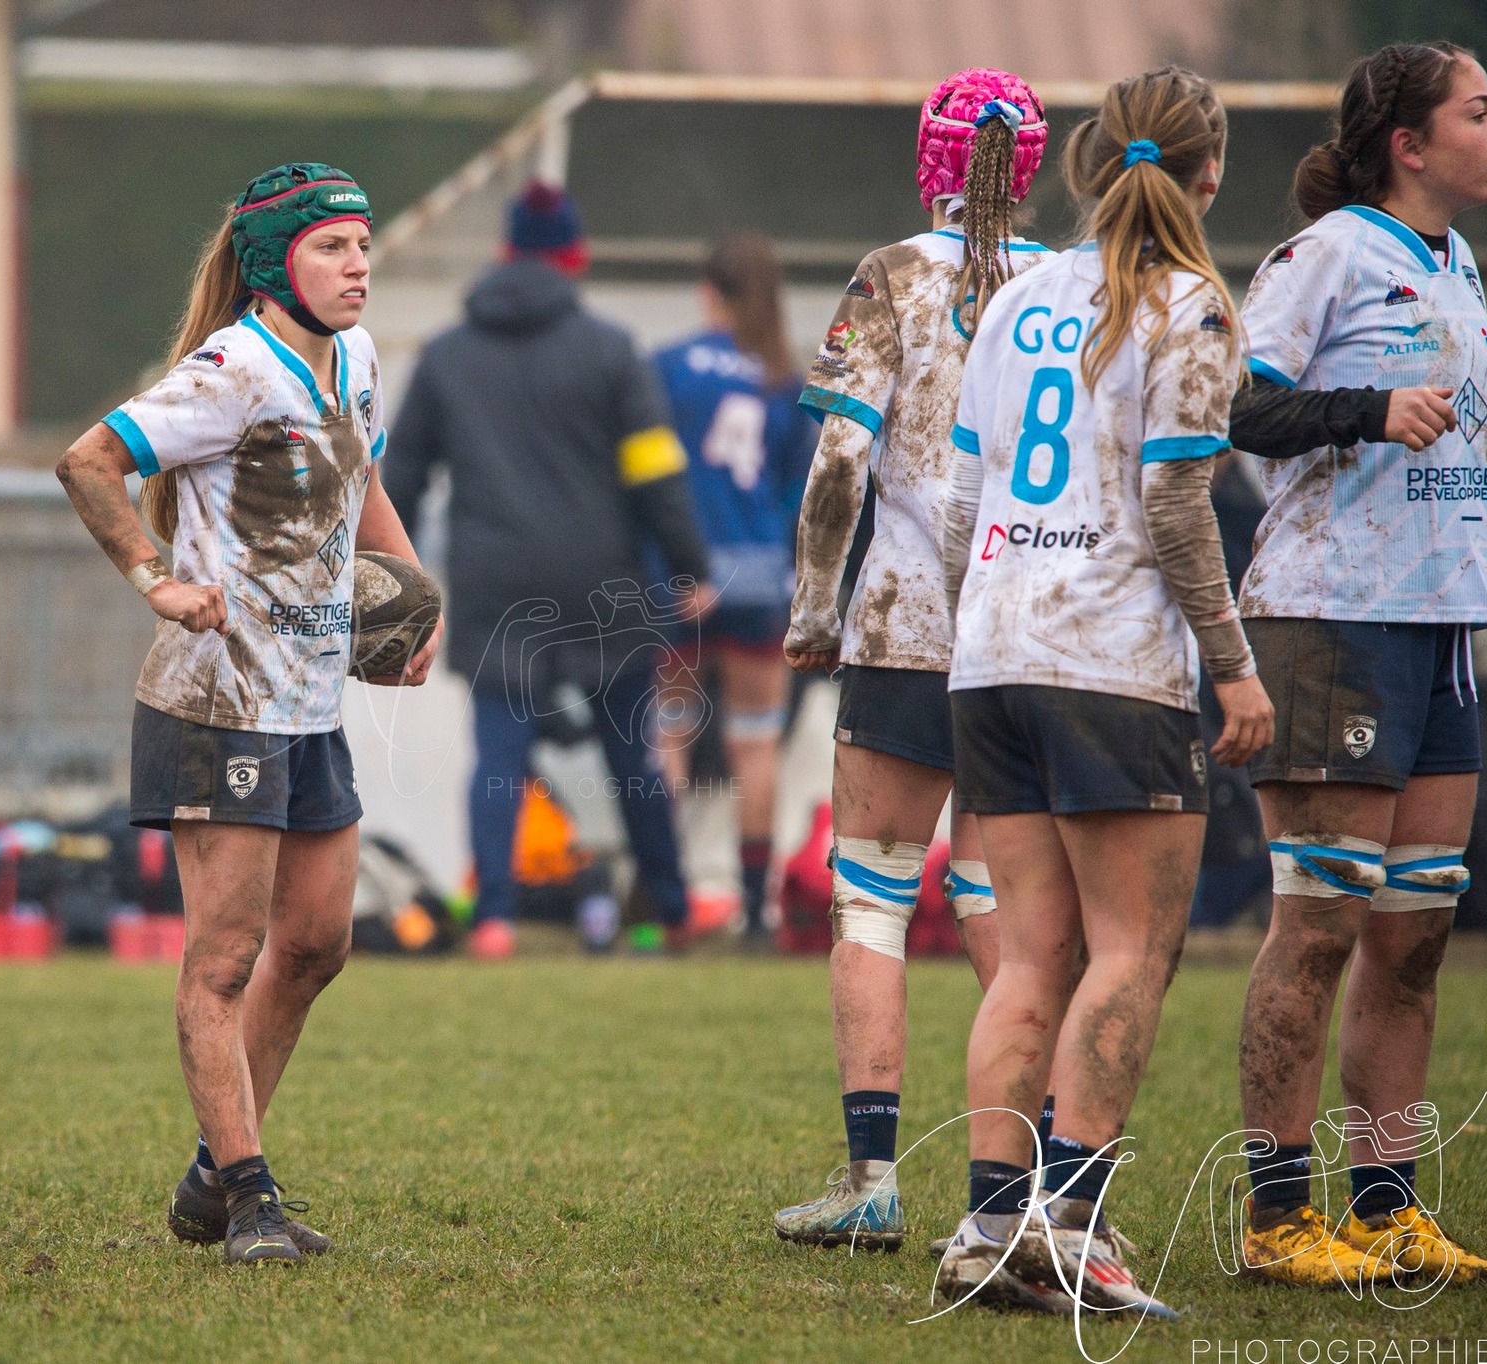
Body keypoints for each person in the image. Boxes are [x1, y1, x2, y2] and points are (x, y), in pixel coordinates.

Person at [931, 67, 1275, 1318]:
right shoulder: (1190, 302)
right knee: (1131, 948)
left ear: (1086, 163)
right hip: (1112, 663)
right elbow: (1176, 506)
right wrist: (1231, 665)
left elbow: (959, 501)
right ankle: (1067, 1223)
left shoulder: (1015, 296)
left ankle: (986, 1225)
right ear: (1209, 174)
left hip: (992, 652)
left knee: (1030, 953)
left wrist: (986, 617)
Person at [57, 163, 439, 1265]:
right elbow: (88, 463)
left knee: (315, 945)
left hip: (308, 704)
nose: (358, 264)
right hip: (217, 701)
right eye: (332, 247)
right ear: (275, 263)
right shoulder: (230, 369)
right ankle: (250, 1194)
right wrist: (155, 578)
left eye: (362, 243)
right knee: (223, 961)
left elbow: (362, 483)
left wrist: (413, 601)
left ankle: (211, 1172)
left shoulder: (356, 359)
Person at [774, 67, 1052, 1249]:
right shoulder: (1067, 284)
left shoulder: (891, 274)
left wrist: (810, 608)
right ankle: (1030, 1184)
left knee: (874, 892)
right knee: (1001, 902)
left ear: (927, 160)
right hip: (1028, 631)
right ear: (1030, 167)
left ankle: (871, 1181)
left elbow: (840, 459)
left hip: (905, 624)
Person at [1232, 41, 1487, 1286]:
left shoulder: (1457, 265)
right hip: (1331, 617)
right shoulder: (1327, 254)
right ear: (1408, 142)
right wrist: (1365, 409)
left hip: (1440, 627)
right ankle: (1276, 1216)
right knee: (1318, 927)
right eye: (1478, 112)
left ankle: (1386, 1208)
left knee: (1414, 934)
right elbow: (1233, 406)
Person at [383, 180, 723, 960]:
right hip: (602, 582)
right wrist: (690, 566)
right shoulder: (610, 348)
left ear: (505, 251)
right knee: (631, 756)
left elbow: (400, 478)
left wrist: (395, 578)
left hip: (495, 582)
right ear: (576, 255)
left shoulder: (445, 355)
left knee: (498, 757)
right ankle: (672, 909)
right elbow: (655, 472)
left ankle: (494, 919)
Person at [651, 234, 816, 941]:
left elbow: (651, 478)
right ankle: (753, 911)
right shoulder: (789, 379)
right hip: (756, 582)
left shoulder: (668, 367)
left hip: (679, 579)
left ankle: (670, 899)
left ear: (707, 291)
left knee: (669, 734)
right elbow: (801, 498)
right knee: (756, 742)